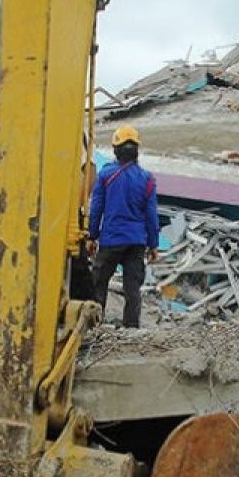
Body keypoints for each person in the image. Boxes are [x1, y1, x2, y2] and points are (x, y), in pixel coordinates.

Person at [87, 125, 159, 328]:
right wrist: (153, 245)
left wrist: (92, 236)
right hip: (136, 242)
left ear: (115, 149)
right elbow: (151, 215)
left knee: (98, 282)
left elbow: (96, 208)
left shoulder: (106, 175)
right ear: (137, 149)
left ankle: (95, 324)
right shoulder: (147, 179)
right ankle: (131, 327)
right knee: (132, 287)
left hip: (111, 240)